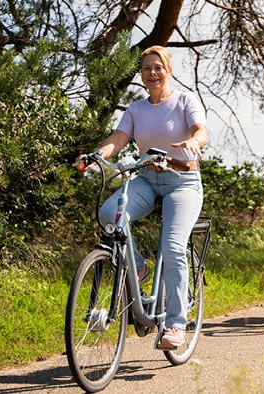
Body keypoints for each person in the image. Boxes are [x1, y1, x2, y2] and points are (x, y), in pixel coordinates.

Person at [75, 45, 207, 349]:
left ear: (168, 70)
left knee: (172, 248)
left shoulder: (184, 100)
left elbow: (201, 131)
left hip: (182, 182)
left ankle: (175, 324)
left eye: (157, 67)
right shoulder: (136, 109)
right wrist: (96, 156)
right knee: (110, 214)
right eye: (146, 68)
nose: (152, 73)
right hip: (146, 179)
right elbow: (118, 139)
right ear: (141, 74)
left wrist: (194, 141)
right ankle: (137, 267)